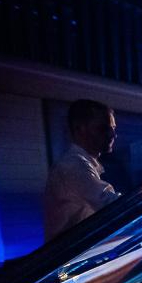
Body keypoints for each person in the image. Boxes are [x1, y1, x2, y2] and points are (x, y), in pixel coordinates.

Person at [44, 99, 120, 240]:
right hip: (70, 252)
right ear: (79, 129)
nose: (113, 135)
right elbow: (112, 206)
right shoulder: (73, 166)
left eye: (113, 128)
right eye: (103, 128)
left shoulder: (80, 163)